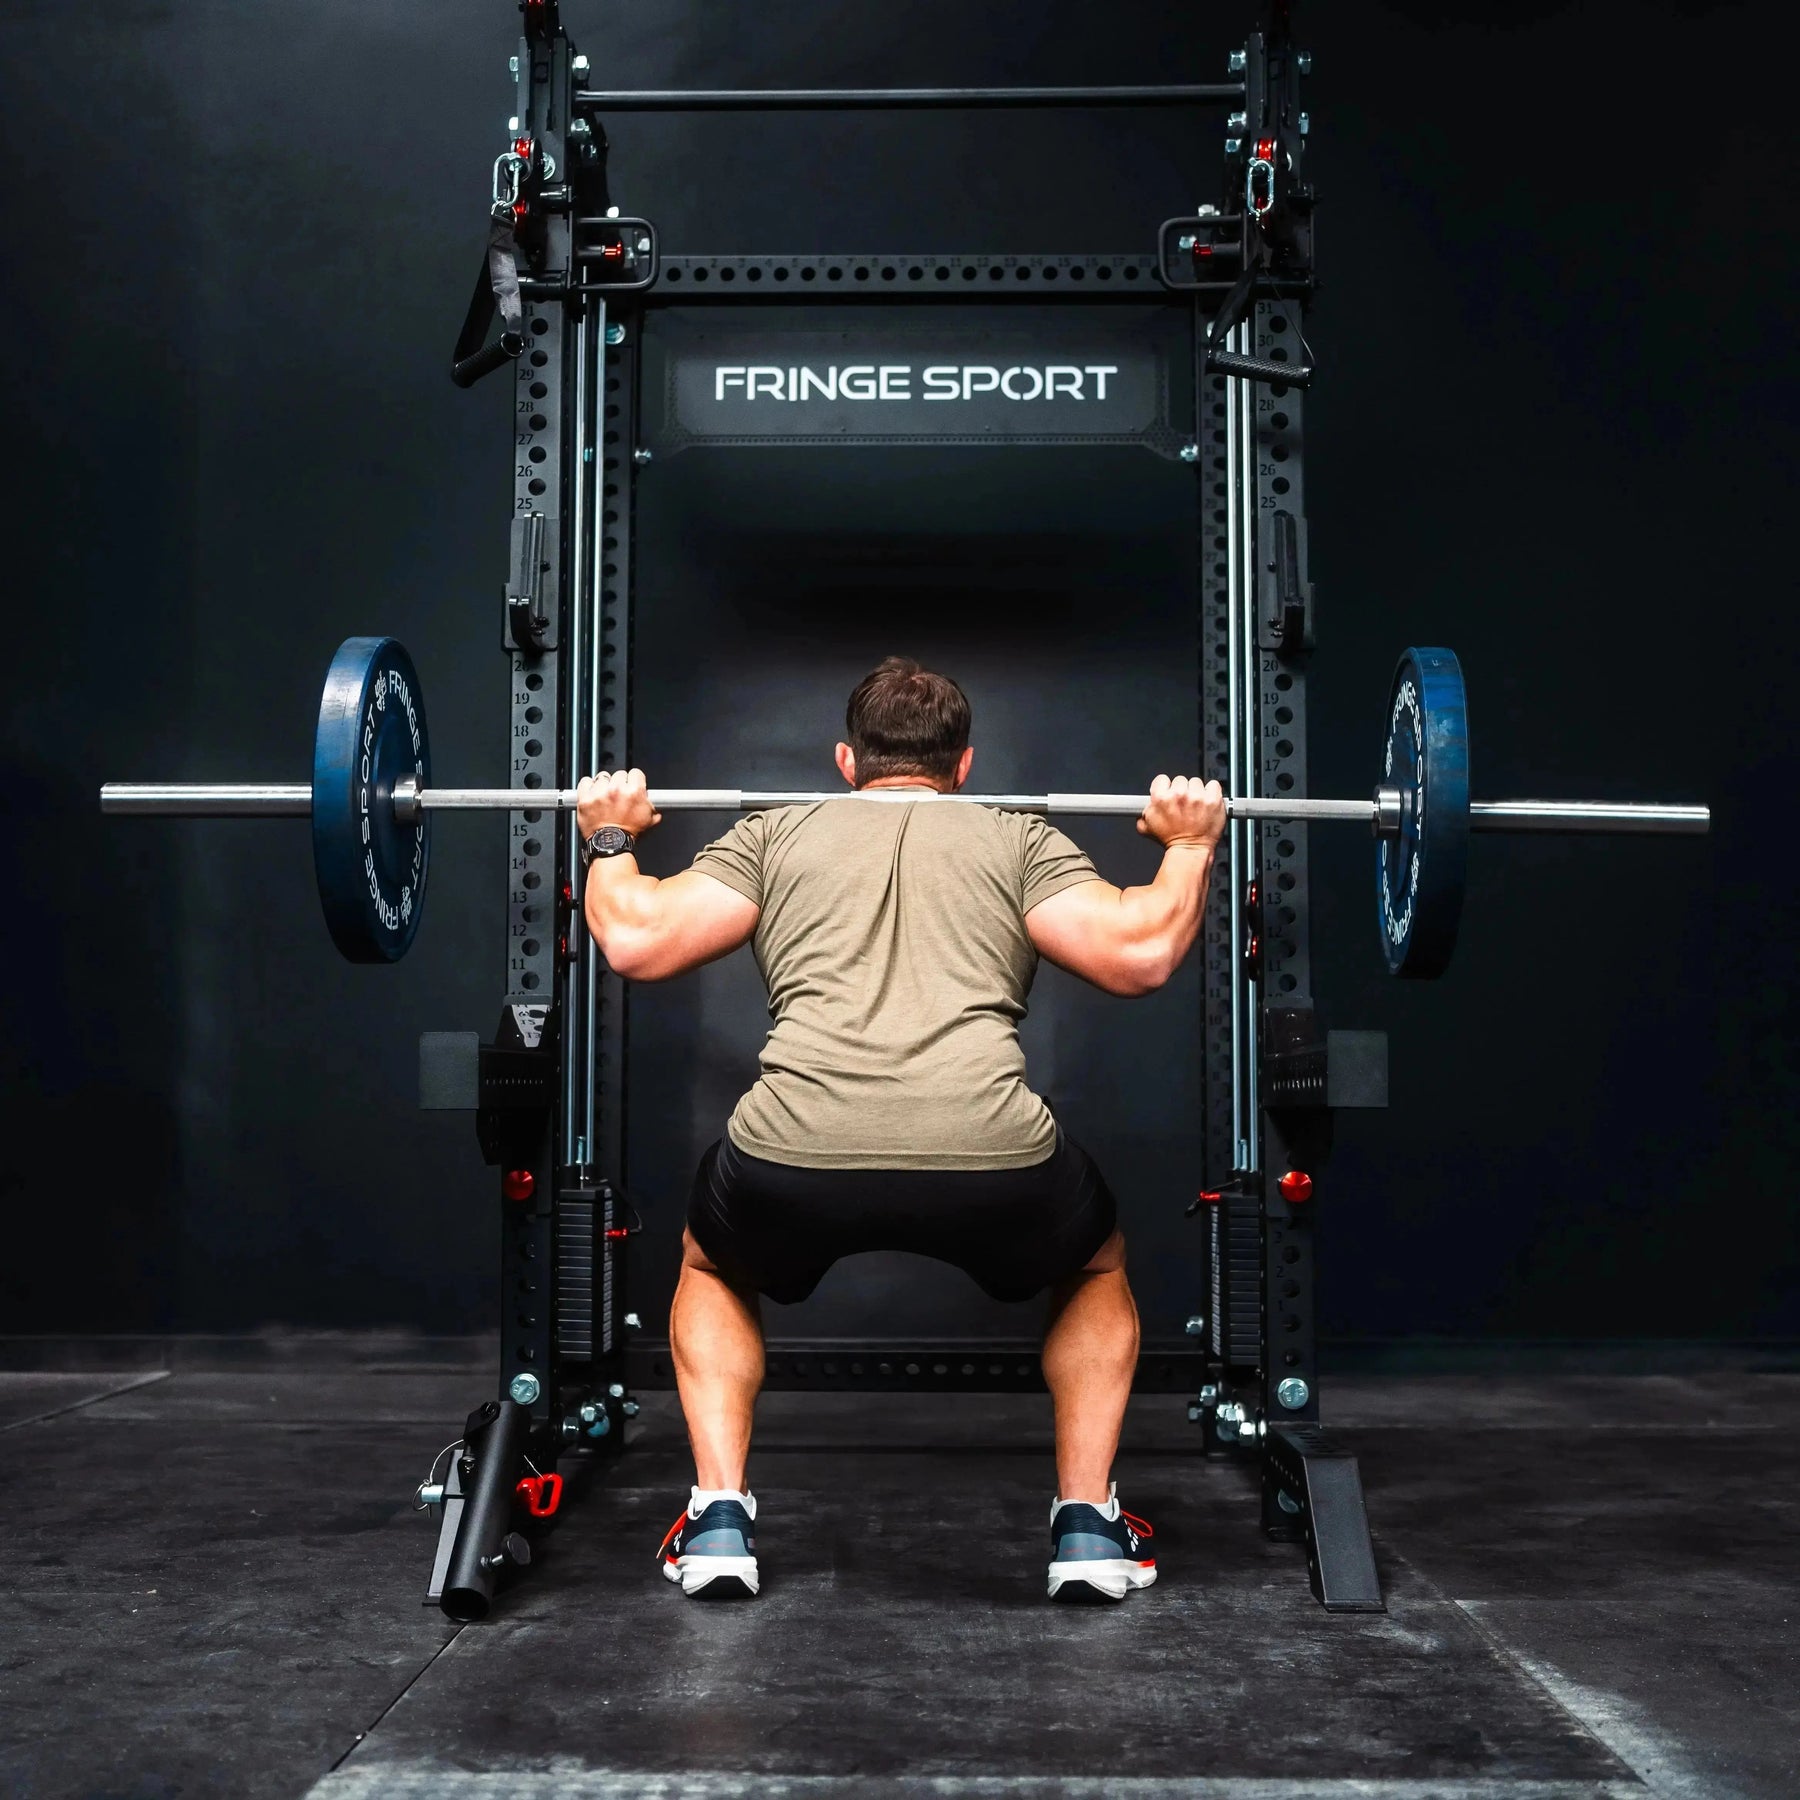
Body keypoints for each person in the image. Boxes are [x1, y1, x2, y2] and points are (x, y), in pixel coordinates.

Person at [576, 657, 1226, 1603]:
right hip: (992, 1156)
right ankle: (1089, 1526)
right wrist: (1191, 843)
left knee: (712, 1262)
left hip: (790, 1153)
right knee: (1095, 1265)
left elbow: (635, 939)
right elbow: (1141, 953)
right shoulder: (1015, 837)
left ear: (847, 762)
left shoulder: (775, 832)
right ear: (965, 766)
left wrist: (609, 835)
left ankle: (718, 1518)